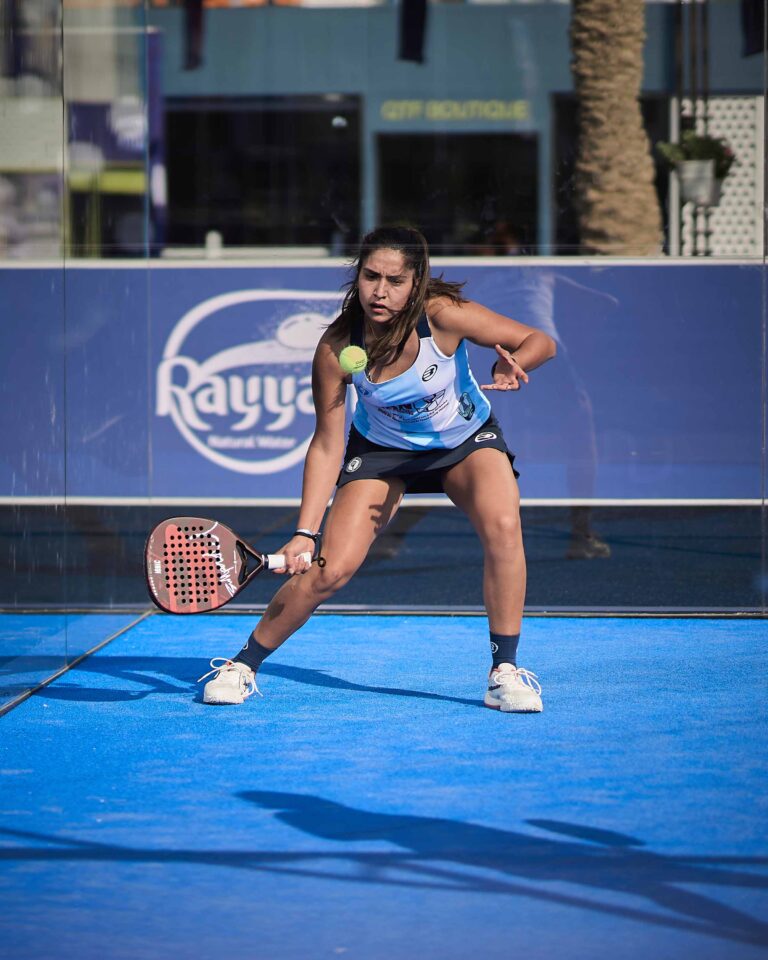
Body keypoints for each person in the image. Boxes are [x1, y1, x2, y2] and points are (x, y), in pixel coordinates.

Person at [199, 225, 556, 712]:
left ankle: (504, 673)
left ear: (416, 282)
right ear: (358, 276)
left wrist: (511, 364)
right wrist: (305, 532)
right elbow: (327, 444)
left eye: (394, 280)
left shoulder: (444, 316)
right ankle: (243, 664)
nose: (379, 292)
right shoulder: (337, 348)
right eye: (371, 277)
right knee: (330, 571)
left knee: (504, 526)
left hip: (464, 440)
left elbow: (540, 341)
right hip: (382, 452)